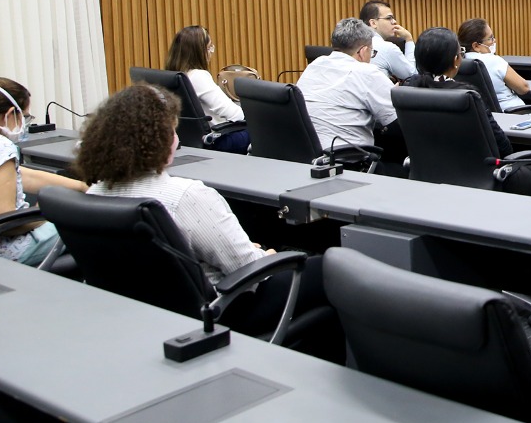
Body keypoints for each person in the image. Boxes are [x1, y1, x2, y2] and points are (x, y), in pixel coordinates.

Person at [77, 84, 339, 359]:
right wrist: (268, 256)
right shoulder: (186, 197)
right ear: (158, 140)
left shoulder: (95, 194)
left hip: (145, 317)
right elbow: (250, 270)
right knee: (330, 266)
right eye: (172, 131)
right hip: (222, 311)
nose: (177, 139)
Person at [0, 78, 86, 265]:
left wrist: (82, 187)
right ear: (11, 113)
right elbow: (2, 221)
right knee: (87, 221)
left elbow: (21, 176)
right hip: (6, 248)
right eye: (24, 116)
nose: (25, 123)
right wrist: (49, 211)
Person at [402, 28, 531, 196]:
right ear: (456, 61)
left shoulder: (407, 91)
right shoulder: (467, 96)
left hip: (428, 178)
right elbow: (503, 146)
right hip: (486, 181)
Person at [296, 17, 398, 151]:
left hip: (307, 158)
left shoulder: (315, 65)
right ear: (362, 51)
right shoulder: (367, 72)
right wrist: (395, 95)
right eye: (372, 52)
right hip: (349, 162)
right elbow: (399, 123)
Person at [164, 25, 250, 153]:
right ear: (198, 52)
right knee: (272, 129)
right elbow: (236, 115)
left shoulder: (173, 75)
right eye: (209, 47)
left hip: (190, 141)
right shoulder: (198, 76)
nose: (211, 52)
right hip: (220, 140)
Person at [459, 17, 531, 112]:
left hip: (482, 117)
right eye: (490, 38)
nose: (494, 41)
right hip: (513, 115)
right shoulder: (493, 60)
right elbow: (524, 88)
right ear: (476, 46)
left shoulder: (458, 62)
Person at [361, 0, 416, 81]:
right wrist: (409, 39)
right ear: (373, 23)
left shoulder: (353, 44)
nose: (394, 22)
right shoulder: (387, 48)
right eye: (389, 18)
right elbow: (412, 76)